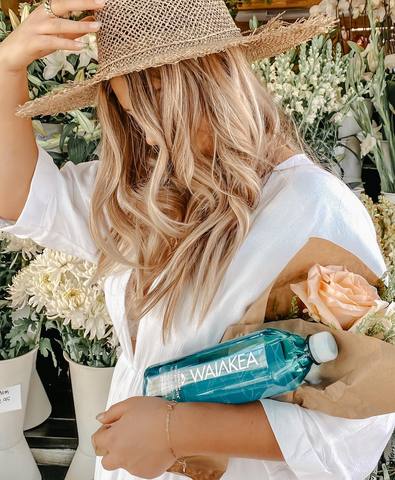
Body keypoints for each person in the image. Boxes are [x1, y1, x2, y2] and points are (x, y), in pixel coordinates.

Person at [0, 0, 394, 479]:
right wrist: (6, 67)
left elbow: (357, 411)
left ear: (212, 81)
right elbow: (20, 197)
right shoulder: (146, 189)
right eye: (129, 114)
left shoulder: (311, 210)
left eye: (157, 102)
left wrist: (177, 431)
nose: (147, 135)